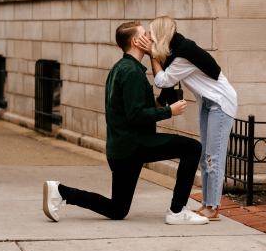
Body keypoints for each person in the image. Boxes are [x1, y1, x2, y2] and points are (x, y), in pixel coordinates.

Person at [43, 21, 208, 225]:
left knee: (118, 209)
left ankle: (61, 192)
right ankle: (177, 211)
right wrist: (169, 111)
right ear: (136, 41)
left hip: (121, 149)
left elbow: (128, 108)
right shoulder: (132, 72)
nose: (150, 37)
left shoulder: (121, 68)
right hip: (135, 145)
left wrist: (156, 104)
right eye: (145, 34)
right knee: (192, 148)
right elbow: (135, 116)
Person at [138, 16, 237, 222]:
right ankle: (207, 204)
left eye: (150, 32)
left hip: (220, 103)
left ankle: (213, 207)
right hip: (209, 104)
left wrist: (152, 55)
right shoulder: (177, 51)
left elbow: (163, 79)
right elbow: (167, 81)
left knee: (214, 157)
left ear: (160, 34)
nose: (147, 36)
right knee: (205, 156)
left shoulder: (184, 53)